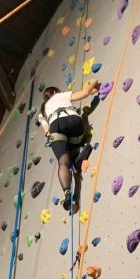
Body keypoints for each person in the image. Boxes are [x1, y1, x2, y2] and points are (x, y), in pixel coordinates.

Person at [37, 81, 100, 212]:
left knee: (63, 163)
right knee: (77, 141)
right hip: (72, 121)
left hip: (55, 127)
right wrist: (94, 83)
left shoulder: (42, 113)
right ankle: (78, 151)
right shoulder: (61, 95)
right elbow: (85, 93)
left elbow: (47, 132)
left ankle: (67, 193)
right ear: (55, 92)